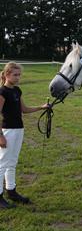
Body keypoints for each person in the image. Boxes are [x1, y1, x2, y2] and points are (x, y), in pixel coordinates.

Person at [0, 62, 48, 209]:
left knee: (12, 162)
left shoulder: (17, 91)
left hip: (18, 129)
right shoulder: (2, 92)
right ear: (7, 74)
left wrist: (42, 107)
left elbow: (24, 109)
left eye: (19, 75)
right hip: (7, 131)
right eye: (15, 74)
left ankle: (11, 191)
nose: (18, 77)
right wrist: (0, 136)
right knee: (2, 164)